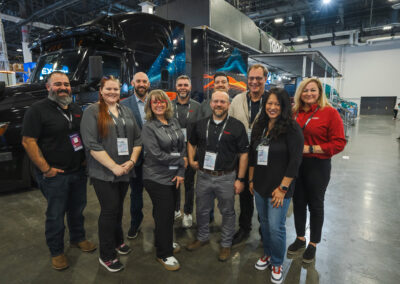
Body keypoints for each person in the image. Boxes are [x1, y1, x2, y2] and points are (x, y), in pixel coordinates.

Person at [21, 71, 96, 270]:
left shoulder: (75, 108)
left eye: (66, 84)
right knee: (55, 214)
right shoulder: (37, 110)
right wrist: (46, 169)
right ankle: (57, 251)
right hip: (55, 175)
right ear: (48, 87)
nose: (63, 87)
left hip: (78, 172)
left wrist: (85, 162)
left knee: (77, 209)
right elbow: (28, 141)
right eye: (57, 84)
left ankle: (78, 238)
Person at [80, 76, 142, 272]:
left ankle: (118, 241)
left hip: (125, 170)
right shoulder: (92, 112)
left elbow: (139, 139)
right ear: (101, 90)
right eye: (108, 89)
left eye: (115, 89)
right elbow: (91, 144)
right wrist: (114, 167)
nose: (112, 92)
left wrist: (131, 161)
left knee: (117, 208)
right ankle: (106, 255)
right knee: (109, 210)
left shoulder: (126, 111)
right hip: (103, 173)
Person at [288, 78, 346, 263]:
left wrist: (311, 148)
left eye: (313, 90)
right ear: (300, 93)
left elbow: (338, 143)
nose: (309, 94)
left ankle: (313, 243)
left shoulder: (330, 113)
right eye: (305, 90)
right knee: (298, 202)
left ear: (319, 92)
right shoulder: (294, 112)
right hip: (296, 165)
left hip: (318, 166)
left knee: (315, 204)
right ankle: (300, 238)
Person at [249, 88, 303, 284]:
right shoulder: (261, 125)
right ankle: (269, 254)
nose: (272, 107)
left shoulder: (292, 128)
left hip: (279, 189)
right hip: (260, 186)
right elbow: (254, 155)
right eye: (269, 103)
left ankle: (278, 262)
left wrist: (282, 189)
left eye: (277, 104)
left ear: (283, 107)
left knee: (276, 227)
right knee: (264, 224)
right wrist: (252, 180)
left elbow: (295, 161)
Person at [186, 91, 249, 262]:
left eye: (222, 101)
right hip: (204, 176)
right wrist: (191, 160)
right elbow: (191, 142)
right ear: (210, 104)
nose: (219, 104)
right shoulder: (200, 124)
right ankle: (202, 237)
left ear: (228, 104)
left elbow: (244, 154)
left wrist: (240, 179)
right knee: (201, 209)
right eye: (215, 101)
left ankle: (226, 244)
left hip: (226, 177)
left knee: (228, 212)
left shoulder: (237, 126)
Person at [141, 89, 186, 271]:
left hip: (174, 175)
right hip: (156, 178)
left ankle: (165, 241)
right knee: (164, 214)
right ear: (150, 106)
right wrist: (180, 160)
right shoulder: (148, 127)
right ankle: (163, 253)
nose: (159, 105)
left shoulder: (173, 121)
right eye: (155, 102)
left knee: (169, 214)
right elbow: (157, 155)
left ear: (167, 104)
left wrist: (181, 170)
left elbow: (182, 147)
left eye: (162, 102)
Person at [229, 64, 269, 246]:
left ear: (265, 79)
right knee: (244, 195)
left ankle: (264, 230)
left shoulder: (271, 100)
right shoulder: (237, 100)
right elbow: (228, 125)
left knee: (262, 194)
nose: (254, 82)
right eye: (251, 78)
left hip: (265, 158)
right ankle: (244, 228)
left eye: (258, 78)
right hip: (242, 156)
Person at [121, 72, 150, 240]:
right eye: (138, 81)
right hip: (135, 158)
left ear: (148, 84)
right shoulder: (124, 105)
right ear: (133, 83)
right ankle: (135, 222)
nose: (141, 84)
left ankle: (162, 223)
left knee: (159, 193)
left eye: (144, 81)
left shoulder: (156, 102)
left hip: (155, 159)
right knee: (136, 193)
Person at [171, 75, 201, 227]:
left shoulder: (197, 107)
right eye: (180, 85)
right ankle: (175, 209)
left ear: (190, 87)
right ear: (176, 87)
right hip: (172, 152)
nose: (183, 87)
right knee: (173, 182)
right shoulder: (168, 106)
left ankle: (188, 213)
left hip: (191, 152)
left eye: (185, 85)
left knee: (189, 184)